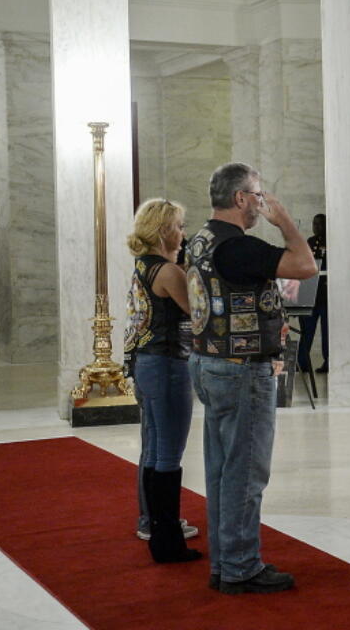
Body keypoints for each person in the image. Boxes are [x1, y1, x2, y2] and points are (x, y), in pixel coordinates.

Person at [186, 162, 315, 594]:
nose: (262, 203)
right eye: (257, 195)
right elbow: (305, 266)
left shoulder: (201, 239)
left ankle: (226, 562)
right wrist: (288, 226)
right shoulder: (238, 246)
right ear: (240, 198)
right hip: (241, 371)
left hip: (209, 363)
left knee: (223, 470)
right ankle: (241, 567)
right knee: (246, 473)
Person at [123, 198, 202, 564]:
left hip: (147, 363)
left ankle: (156, 527)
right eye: (180, 226)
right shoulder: (170, 273)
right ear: (163, 230)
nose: (183, 234)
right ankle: (168, 540)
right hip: (168, 363)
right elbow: (198, 315)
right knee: (168, 452)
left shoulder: (146, 266)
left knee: (154, 448)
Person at [297, 213, 329, 374]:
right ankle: (302, 362)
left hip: (326, 296)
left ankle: (328, 362)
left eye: (319, 224)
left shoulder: (332, 242)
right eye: (314, 224)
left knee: (327, 332)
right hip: (310, 295)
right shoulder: (309, 242)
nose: (316, 227)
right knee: (306, 331)